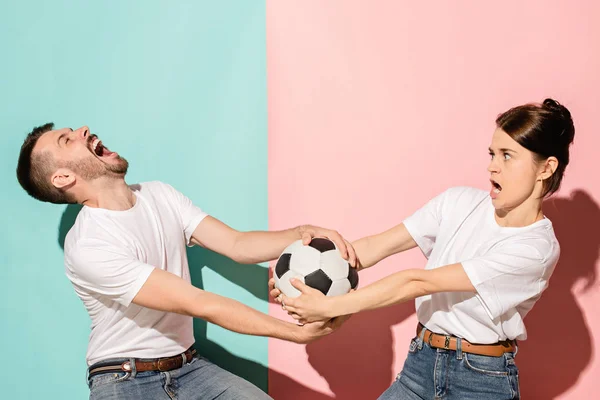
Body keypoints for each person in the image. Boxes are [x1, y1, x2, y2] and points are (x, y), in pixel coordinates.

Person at [15, 123, 356, 400]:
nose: (82, 130)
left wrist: (301, 232)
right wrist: (294, 333)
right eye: (67, 139)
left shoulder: (159, 194)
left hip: (190, 369)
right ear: (62, 178)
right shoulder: (89, 245)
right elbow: (199, 302)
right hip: (123, 382)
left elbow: (236, 244)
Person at [272, 98, 575, 399]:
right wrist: (298, 277)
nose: (492, 167)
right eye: (492, 154)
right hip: (421, 364)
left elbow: (418, 282)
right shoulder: (458, 202)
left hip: (481, 381)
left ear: (546, 168)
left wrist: (329, 307)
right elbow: (373, 247)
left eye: (507, 156)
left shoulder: (535, 249)